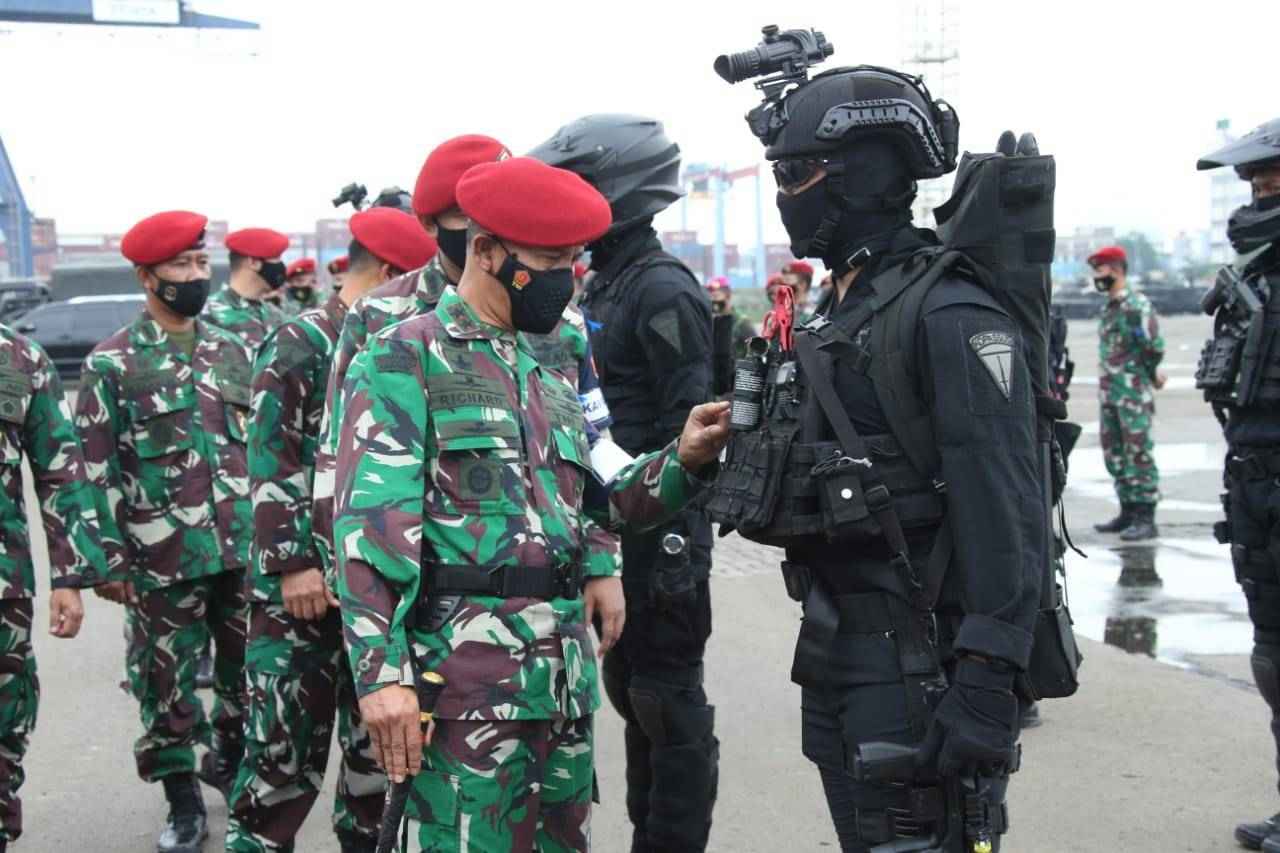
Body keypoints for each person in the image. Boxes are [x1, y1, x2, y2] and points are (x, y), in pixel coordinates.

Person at [333, 155, 730, 853]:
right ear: (485, 251)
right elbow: (370, 533)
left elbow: (607, 493)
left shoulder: (560, 354)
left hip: (560, 682)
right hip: (462, 693)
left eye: (573, 260)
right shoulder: (404, 357)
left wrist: (684, 458)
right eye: (548, 261)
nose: (565, 278)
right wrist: (383, 677)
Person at [710, 62, 1043, 851]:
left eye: (796, 174)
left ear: (859, 174)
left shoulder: (947, 311)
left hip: (920, 661)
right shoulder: (846, 308)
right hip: (840, 649)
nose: (785, 193)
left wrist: (988, 678)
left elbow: (1006, 504)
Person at [531, 114, 718, 853]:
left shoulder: (662, 288)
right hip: (620, 523)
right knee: (633, 697)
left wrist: (671, 538)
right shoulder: (606, 283)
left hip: (662, 534)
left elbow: (690, 426)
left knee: (669, 707)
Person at [226, 209, 437, 853]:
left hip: (371, 591)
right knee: (280, 762)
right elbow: (268, 456)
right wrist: (293, 562)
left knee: (376, 771)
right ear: (394, 271)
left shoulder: (407, 342)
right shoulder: (304, 339)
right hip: (299, 598)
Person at [76, 210, 254, 853]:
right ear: (146, 277)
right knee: (166, 685)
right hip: (160, 558)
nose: (196, 275)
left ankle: (230, 765)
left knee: (246, 676)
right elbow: (92, 470)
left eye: (201, 262)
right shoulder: (112, 363)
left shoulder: (233, 350)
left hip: (240, 549)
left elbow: (261, 450)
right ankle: (182, 801)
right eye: (181, 265)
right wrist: (106, 560)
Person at [1194, 118, 1280, 853]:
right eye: (1254, 181)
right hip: (1254, 486)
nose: (1260, 192)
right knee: (1273, 655)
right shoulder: (1250, 280)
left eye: (1274, 179)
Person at [0, 326, 108, 853]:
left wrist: (69, 576)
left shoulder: (19, 358)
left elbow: (60, 471)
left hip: (3, 591)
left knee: (4, 721)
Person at [1088, 245, 1166, 541]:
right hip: (1110, 393)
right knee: (1116, 454)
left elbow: (1153, 347)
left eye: (1100, 270)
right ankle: (1128, 511)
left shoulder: (1135, 306)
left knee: (1138, 453)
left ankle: (1146, 517)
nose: (1097, 276)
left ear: (1117, 270)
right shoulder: (1110, 307)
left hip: (1131, 394)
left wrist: (1149, 375)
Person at [204, 227, 290, 351]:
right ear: (254, 262)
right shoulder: (208, 313)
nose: (281, 265)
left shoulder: (276, 315)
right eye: (276, 258)